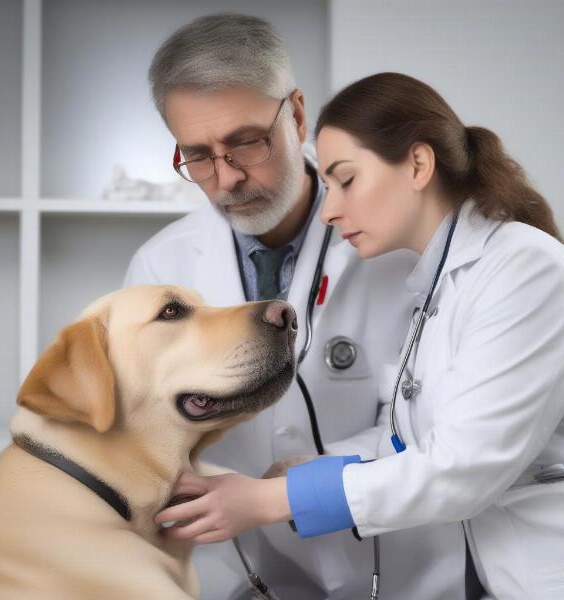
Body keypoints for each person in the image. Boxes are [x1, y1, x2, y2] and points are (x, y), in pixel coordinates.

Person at [156, 72, 564, 599]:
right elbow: (408, 439)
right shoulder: (435, 285)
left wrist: (268, 503)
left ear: (418, 164)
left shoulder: (524, 268)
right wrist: (303, 473)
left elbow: (465, 465)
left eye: (345, 180)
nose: (329, 209)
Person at [125, 16, 468, 600]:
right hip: (233, 572)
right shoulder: (161, 271)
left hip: (402, 566)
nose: (227, 178)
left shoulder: (404, 245)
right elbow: (144, 438)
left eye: (246, 142)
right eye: (198, 156)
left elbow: (443, 429)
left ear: (299, 115)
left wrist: (305, 478)